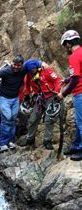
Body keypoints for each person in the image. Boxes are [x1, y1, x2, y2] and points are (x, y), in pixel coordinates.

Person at [23, 59, 63, 150]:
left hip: (51, 96)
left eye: (33, 69)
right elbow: (27, 84)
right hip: (39, 98)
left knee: (49, 119)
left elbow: (57, 80)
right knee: (33, 119)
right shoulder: (28, 75)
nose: (32, 71)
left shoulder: (47, 70)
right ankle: (30, 139)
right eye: (30, 70)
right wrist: (27, 95)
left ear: (36, 67)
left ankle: (47, 140)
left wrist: (57, 93)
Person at [0, 55, 27, 153]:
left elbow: (33, 65)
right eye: (14, 64)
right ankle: (2, 143)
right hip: (4, 98)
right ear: (12, 63)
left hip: (15, 99)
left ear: (21, 65)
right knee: (7, 118)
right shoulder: (6, 71)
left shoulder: (23, 70)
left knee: (13, 119)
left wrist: (42, 65)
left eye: (18, 65)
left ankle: (11, 141)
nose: (16, 67)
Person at [57, 30, 82, 161]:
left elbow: (76, 79)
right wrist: (66, 80)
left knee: (81, 122)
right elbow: (77, 74)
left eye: (65, 44)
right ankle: (76, 145)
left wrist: (63, 93)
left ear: (68, 44)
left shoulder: (73, 56)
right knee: (79, 122)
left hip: (80, 93)